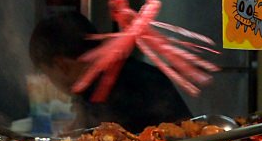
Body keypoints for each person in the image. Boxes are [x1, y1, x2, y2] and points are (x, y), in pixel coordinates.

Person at [28, 11, 192, 134]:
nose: (52, 82)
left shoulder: (111, 88)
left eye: (48, 74)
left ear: (61, 65)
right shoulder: (126, 71)